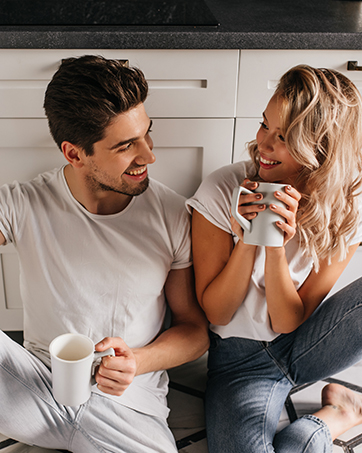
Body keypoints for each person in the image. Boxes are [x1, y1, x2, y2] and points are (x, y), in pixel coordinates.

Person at [0, 55, 209, 453]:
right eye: (126, 146)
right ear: (75, 154)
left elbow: (194, 331)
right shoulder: (22, 203)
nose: (148, 156)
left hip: (128, 409)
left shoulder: (172, 214)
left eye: (147, 134)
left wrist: (138, 361)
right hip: (38, 389)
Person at [187, 64, 362, 452]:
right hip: (238, 364)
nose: (263, 144)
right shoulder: (223, 188)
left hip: (304, 345)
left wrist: (277, 248)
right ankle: (336, 416)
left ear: (320, 150)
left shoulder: (344, 209)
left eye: (283, 137)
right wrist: (250, 237)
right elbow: (216, 313)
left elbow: (288, 321)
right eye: (264, 124)